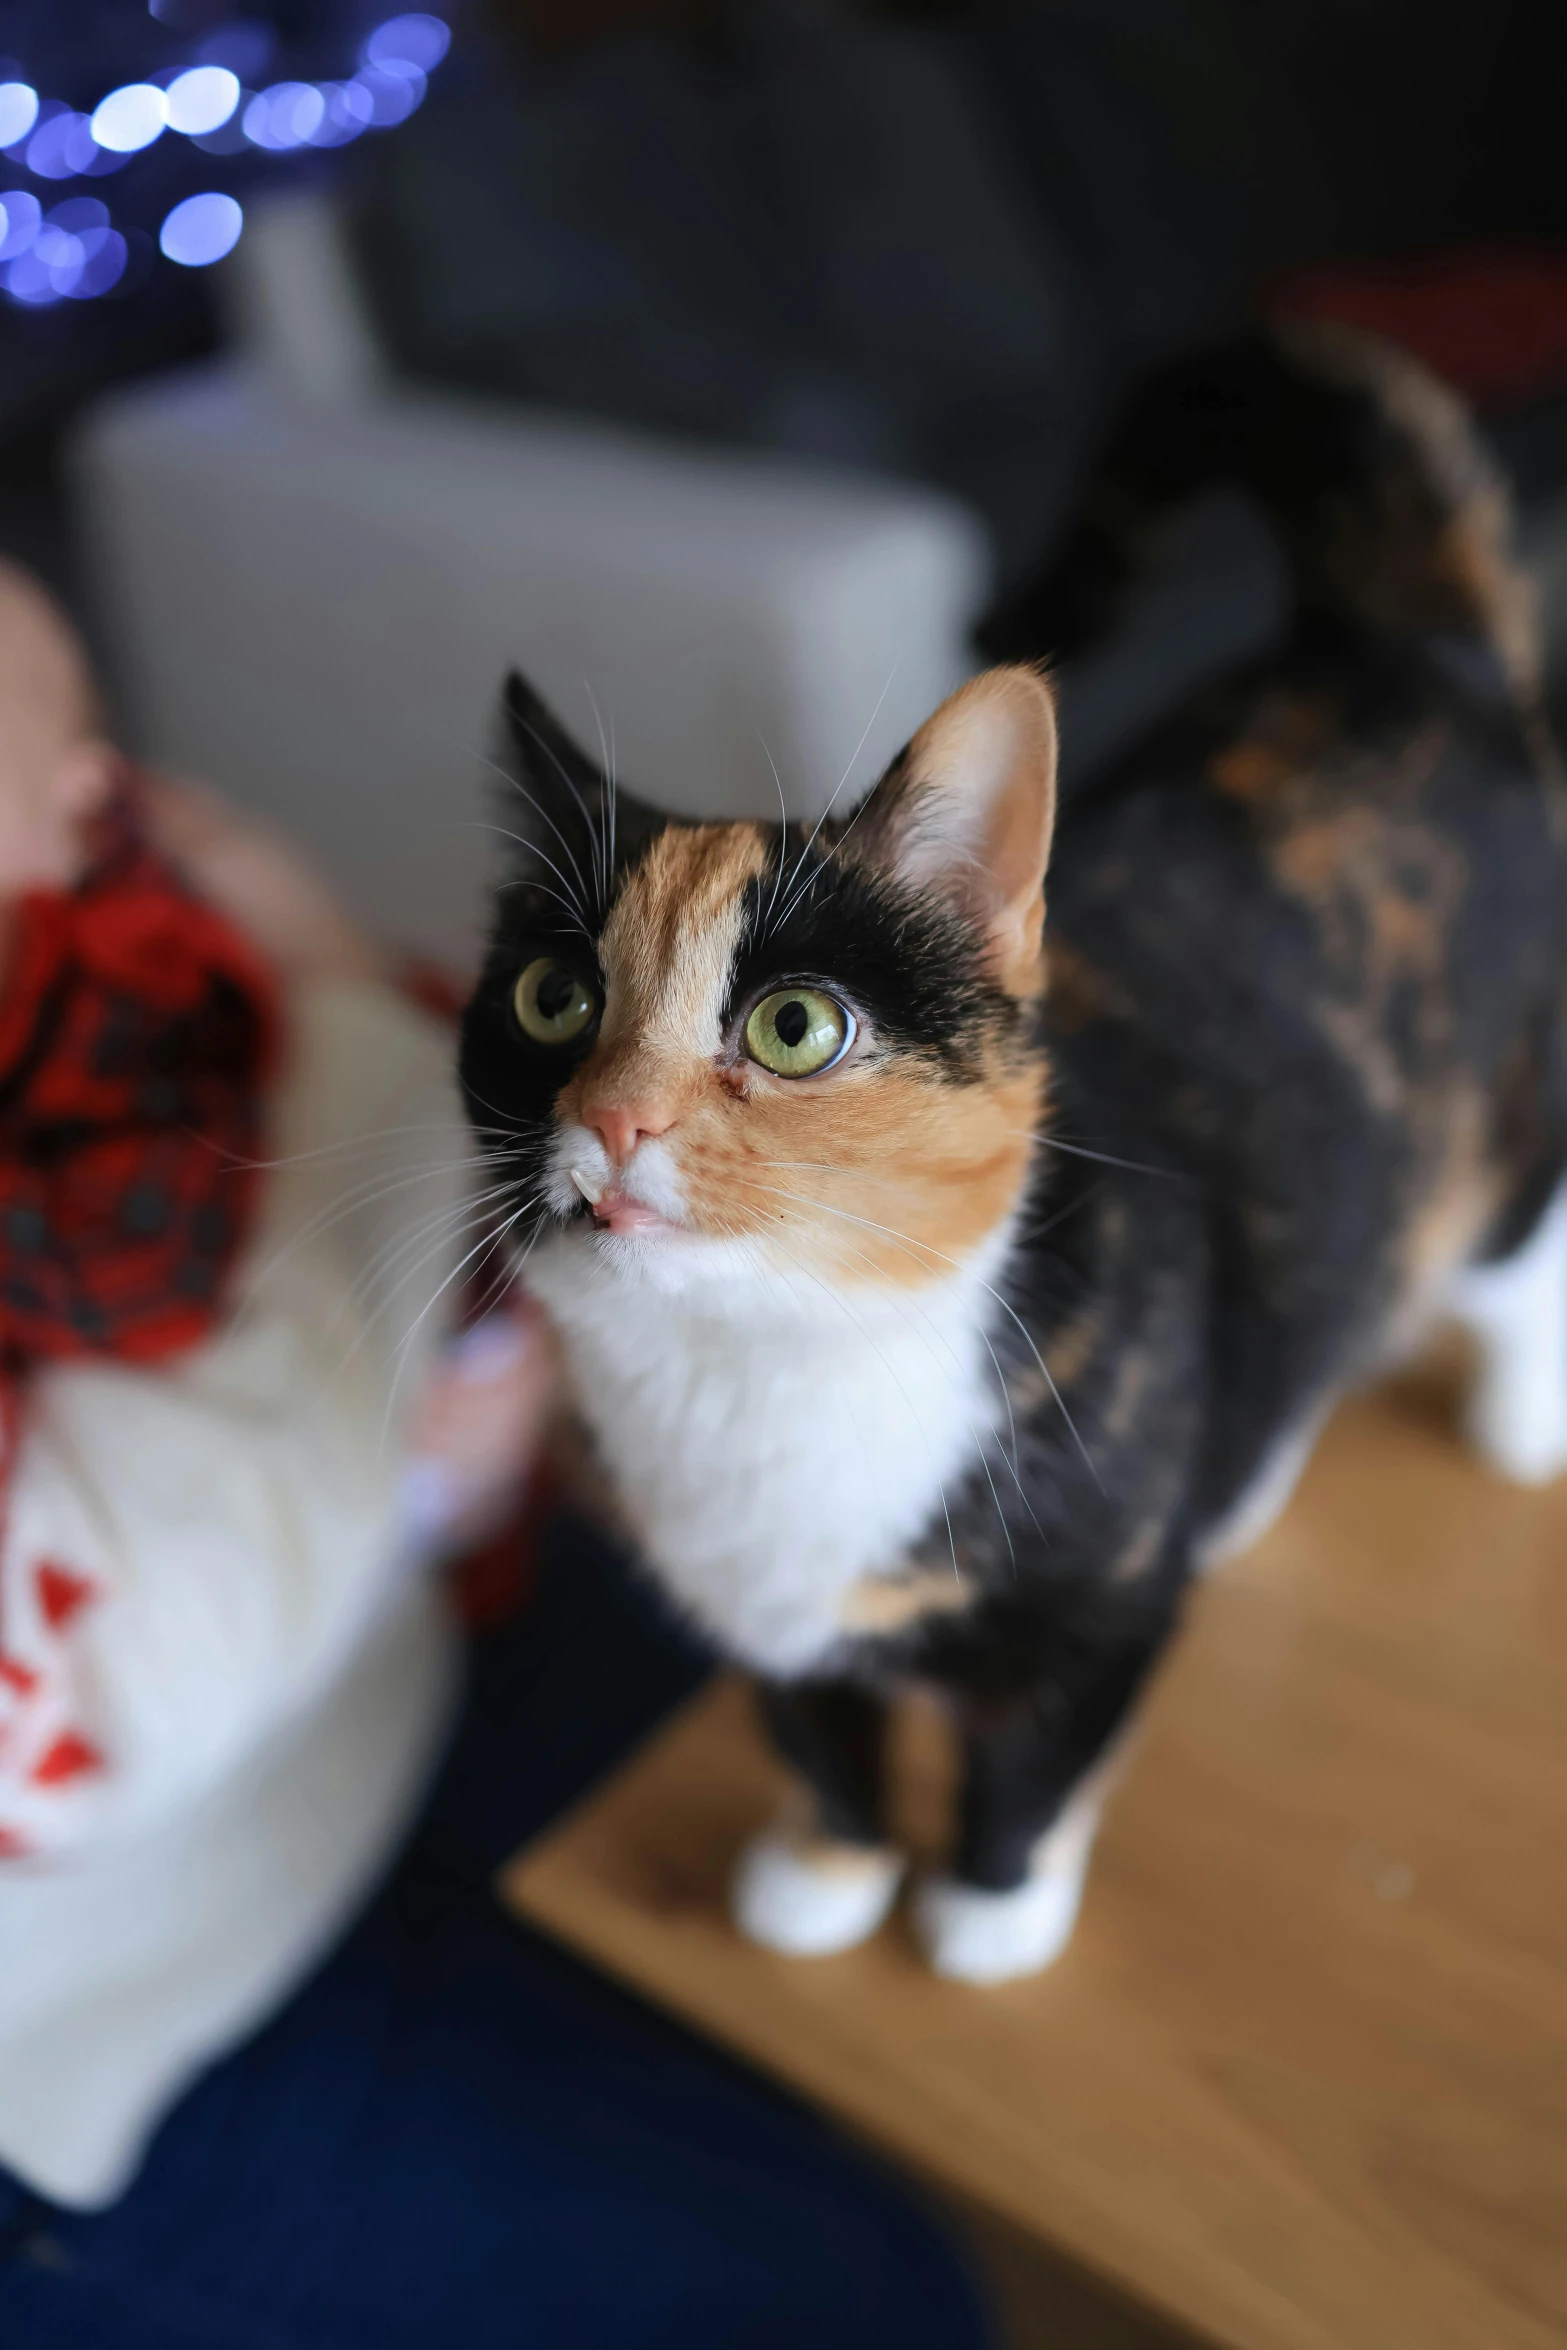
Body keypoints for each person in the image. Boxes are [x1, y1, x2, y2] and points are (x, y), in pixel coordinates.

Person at [0, 565, 994, 2349]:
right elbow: (83, 1701)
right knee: (868, 2289)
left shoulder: (133, 951)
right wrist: (351, 1059)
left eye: (98, 749)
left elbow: (464, 1176)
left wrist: (441, 1317)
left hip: (405, 1648)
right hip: (128, 1995)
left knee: (903, 1896)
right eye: (61, 762)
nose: (112, 800)